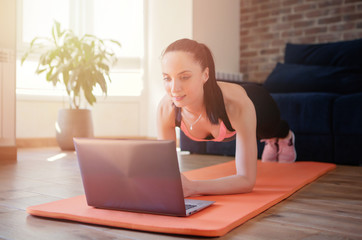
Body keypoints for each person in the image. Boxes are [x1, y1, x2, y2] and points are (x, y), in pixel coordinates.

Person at [157, 38, 296, 197]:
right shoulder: (166, 109)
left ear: (205, 75)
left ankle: (284, 137)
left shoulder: (236, 105)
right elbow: (168, 174)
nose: (174, 89)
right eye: (167, 78)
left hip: (258, 103)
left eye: (184, 77)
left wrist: (193, 187)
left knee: (270, 130)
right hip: (231, 111)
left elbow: (246, 180)